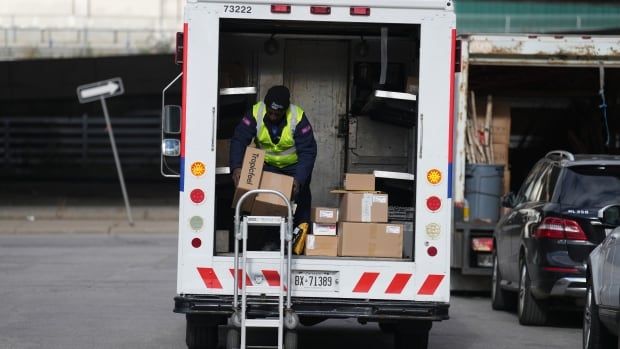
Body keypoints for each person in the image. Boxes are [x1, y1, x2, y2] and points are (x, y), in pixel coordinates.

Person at [230, 85, 317, 226]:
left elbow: (308, 151)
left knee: (301, 199)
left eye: (278, 114)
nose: (273, 116)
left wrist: (299, 179)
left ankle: (298, 243)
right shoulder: (255, 112)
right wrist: (236, 167)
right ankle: (268, 242)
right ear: (266, 106)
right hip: (269, 165)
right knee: (264, 201)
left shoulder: (298, 117)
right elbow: (239, 139)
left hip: (294, 167)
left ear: (285, 109)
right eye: (270, 112)